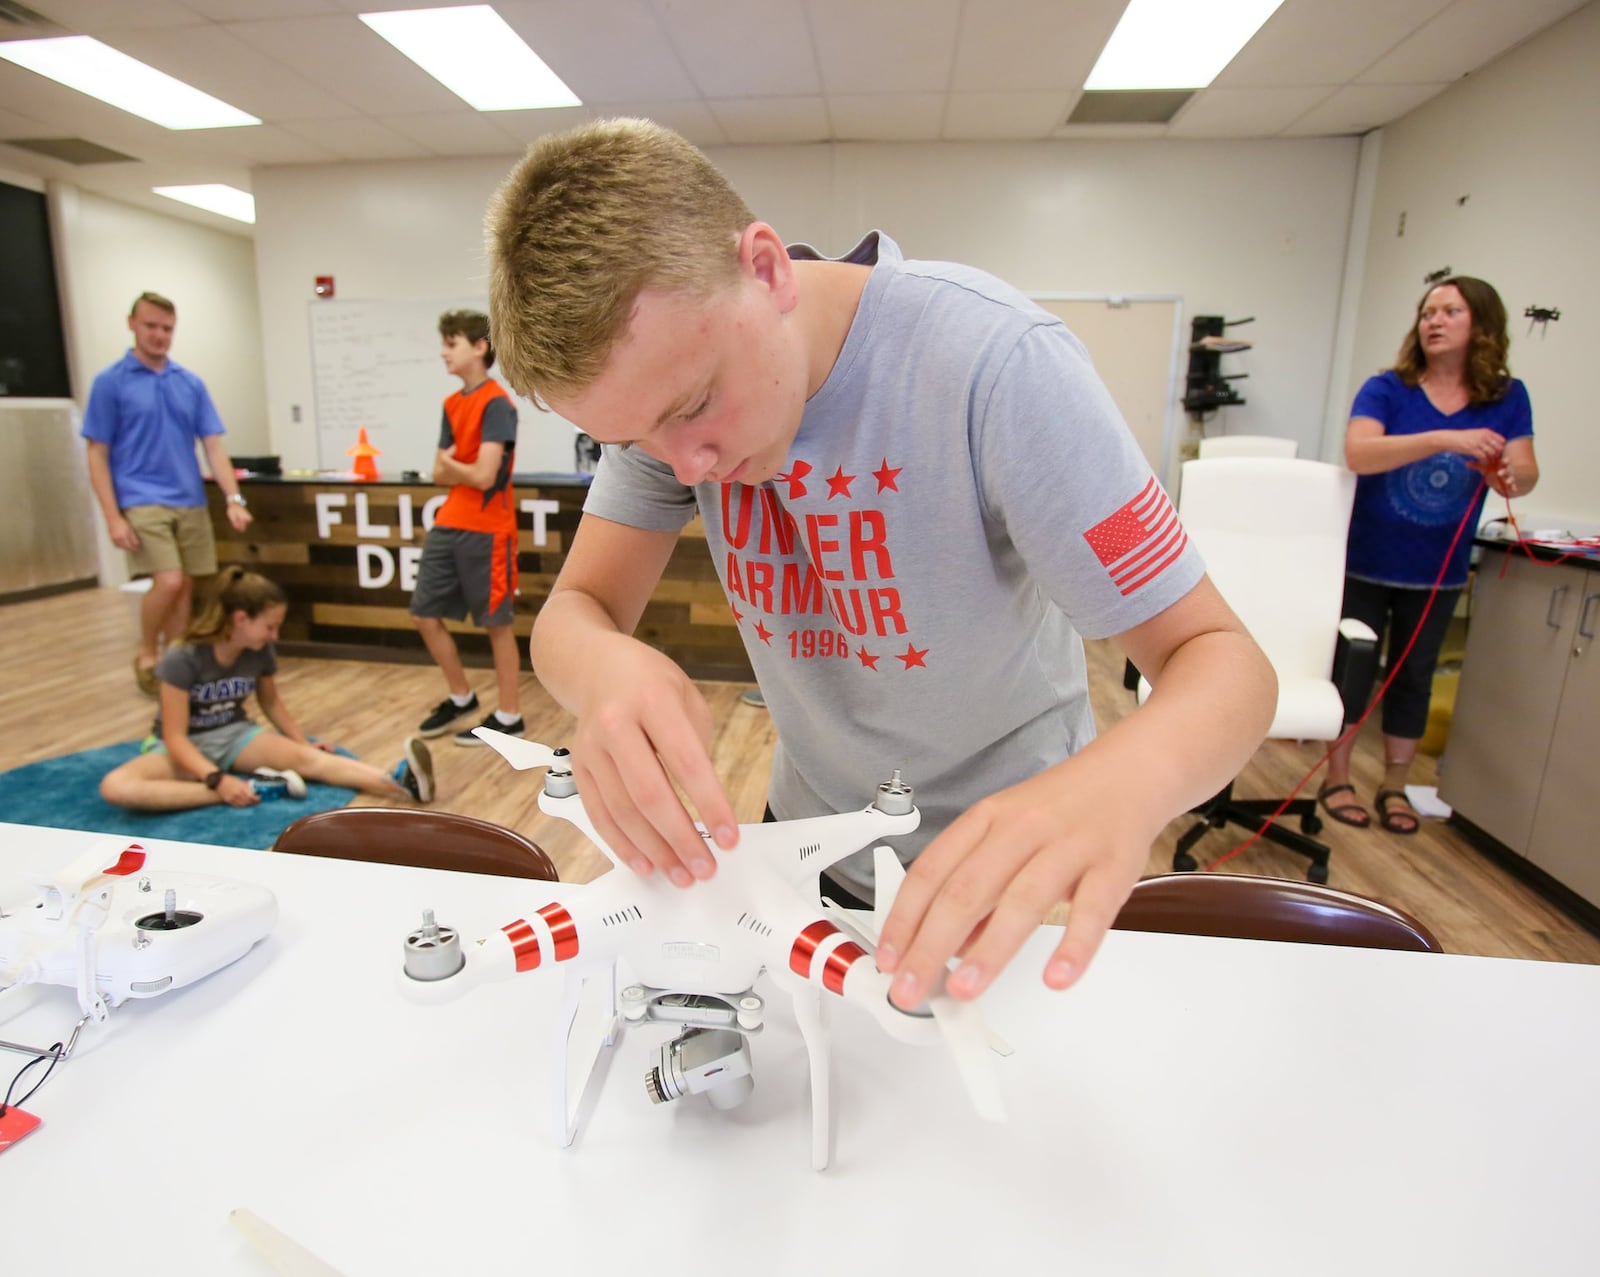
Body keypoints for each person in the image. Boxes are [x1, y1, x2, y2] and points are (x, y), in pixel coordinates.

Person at [485, 118, 1276, 1011]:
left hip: (1011, 866)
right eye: (634, 439)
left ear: (768, 269)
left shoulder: (995, 365)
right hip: (807, 840)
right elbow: (573, 611)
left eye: (697, 407)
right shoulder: (664, 403)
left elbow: (1225, 661)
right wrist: (602, 668)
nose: (686, 466)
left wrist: (1121, 786)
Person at [1319, 276, 1537, 835]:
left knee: (1415, 677)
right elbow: (1359, 453)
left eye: (1450, 311)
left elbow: (1524, 475)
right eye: (1427, 312)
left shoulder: (1508, 399)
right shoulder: (1387, 389)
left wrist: (1507, 475)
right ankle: (1336, 777)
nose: (1433, 321)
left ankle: (1394, 785)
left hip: (1436, 570)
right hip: (1365, 559)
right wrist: (1445, 439)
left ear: (1481, 325)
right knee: (1353, 673)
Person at [100, 567, 434, 811]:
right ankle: (245, 788)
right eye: (270, 626)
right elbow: (175, 736)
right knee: (117, 788)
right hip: (181, 745)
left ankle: (398, 781)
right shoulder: (182, 656)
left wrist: (303, 744)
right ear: (241, 619)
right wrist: (217, 780)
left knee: (309, 760)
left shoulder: (259, 650)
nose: (275, 636)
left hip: (234, 735)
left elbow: (271, 702)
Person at [83, 291, 255, 697]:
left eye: (167, 329)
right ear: (132, 324)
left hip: (189, 497)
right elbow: (97, 452)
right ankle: (146, 652)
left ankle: (177, 665)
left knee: (188, 590)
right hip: (141, 498)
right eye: (151, 327)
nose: (160, 336)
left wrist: (234, 498)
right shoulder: (111, 383)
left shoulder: (189, 383)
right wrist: (112, 516)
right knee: (169, 580)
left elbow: (213, 445)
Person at [410, 309, 526, 747]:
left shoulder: (497, 403)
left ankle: (510, 717)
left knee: (496, 624)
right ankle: (461, 698)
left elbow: (481, 475)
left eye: (452, 343)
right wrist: (462, 466)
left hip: (489, 529)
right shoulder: (451, 404)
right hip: (449, 522)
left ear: (479, 347)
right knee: (424, 613)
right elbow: (439, 474)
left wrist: (456, 465)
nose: (443, 352)